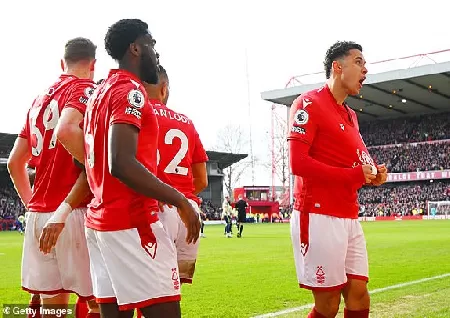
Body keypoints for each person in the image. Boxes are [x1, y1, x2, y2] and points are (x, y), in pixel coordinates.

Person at [83, 19, 200, 318]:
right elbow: (120, 162)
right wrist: (180, 200)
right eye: (152, 45)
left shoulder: (98, 93)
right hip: (133, 221)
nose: (156, 53)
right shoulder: (129, 91)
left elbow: (86, 160)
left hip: (100, 222)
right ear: (135, 48)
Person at [287, 41, 388, 318]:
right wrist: (355, 174)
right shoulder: (308, 103)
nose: (365, 69)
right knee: (328, 304)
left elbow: (359, 163)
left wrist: (372, 175)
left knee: (359, 295)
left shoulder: (351, 116)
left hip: (348, 215)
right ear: (337, 66)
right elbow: (298, 162)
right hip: (319, 214)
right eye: (359, 62)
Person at [7, 37, 97, 315]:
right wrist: (100, 166)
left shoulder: (39, 100)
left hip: (38, 217)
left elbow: (14, 163)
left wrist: (31, 205)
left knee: (52, 308)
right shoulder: (86, 89)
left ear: (62, 63)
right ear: (93, 65)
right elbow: (68, 131)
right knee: (98, 302)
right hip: (74, 211)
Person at [144, 65, 209, 284]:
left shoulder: (138, 116)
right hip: (188, 213)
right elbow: (202, 179)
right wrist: (180, 199)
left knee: (149, 291)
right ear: (164, 89)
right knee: (173, 289)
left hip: (155, 209)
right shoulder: (186, 122)